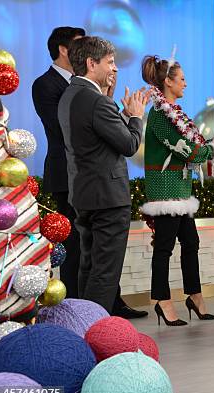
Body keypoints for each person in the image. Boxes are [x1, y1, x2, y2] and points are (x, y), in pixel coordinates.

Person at [33, 29, 146, 319]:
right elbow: (130, 144)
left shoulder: (72, 93)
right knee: (105, 272)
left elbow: (101, 138)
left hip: (84, 194)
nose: (115, 68)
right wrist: (134, 116)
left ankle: (82, 325)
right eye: (110, 61)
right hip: (107, 197)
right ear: (92, 64)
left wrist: (116, 109)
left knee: (88, 267)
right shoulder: (95, 100)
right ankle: (95, 331)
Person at [140, 55, 214, 326]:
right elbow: (188, 150)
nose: (185, 84)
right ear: (168, 82)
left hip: (180, 189)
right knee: (164, 247)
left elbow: (193, 148)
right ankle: (162, 300)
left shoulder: (176, 113)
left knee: (190, 243)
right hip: (166, 190)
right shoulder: (160, 115)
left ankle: (194, 296)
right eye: (181, 79)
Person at [32, 26, 84, 299]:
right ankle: (75, 302)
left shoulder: (85, 83)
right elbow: (59, 128)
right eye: (79, 45)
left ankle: (109, 300)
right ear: (63, 49)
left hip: (89, 173)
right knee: (74, 241)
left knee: (96, 241)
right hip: (65, 172)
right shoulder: (45, 84)